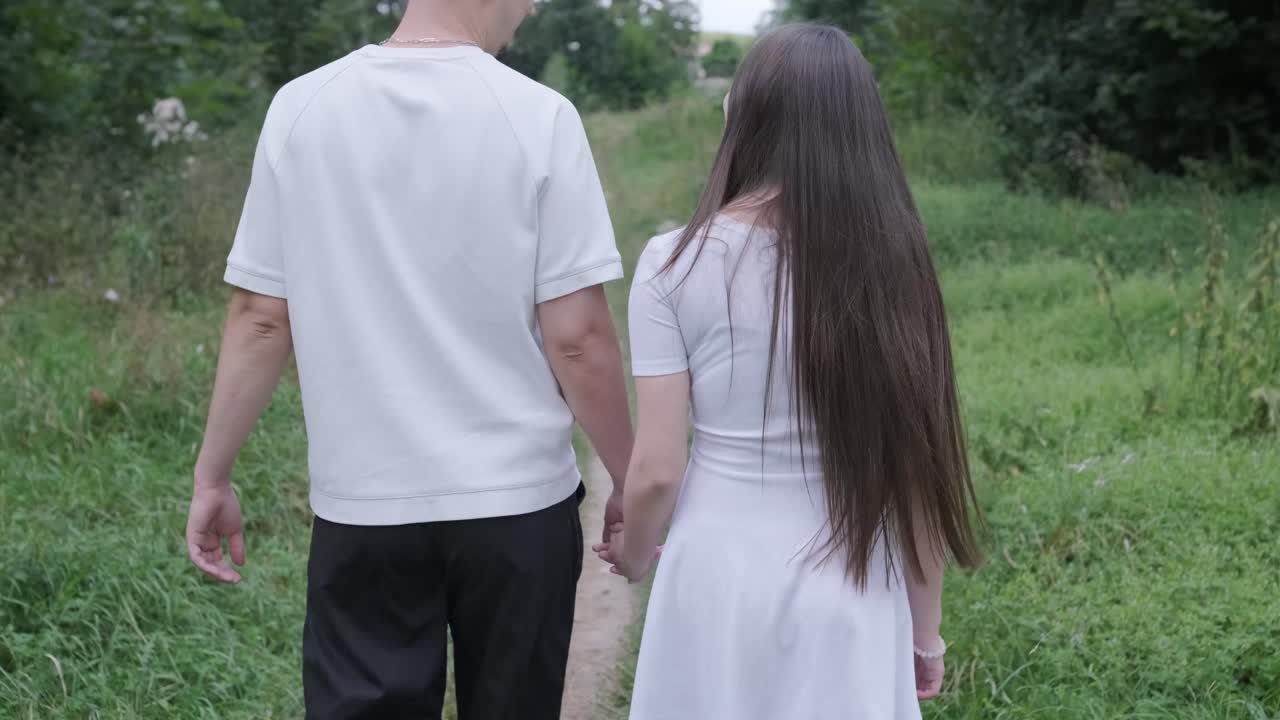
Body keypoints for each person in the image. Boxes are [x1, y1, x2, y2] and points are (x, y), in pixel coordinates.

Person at [183, 1, 634, 718]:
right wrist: (629, 476)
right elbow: (577, 336)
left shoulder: (303, 110)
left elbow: (262, 317)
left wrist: (213, 475)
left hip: (366, 506)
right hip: (517, 508)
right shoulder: (539, 116)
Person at [594, 24, 983, 719]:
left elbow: (656, 469)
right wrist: (926, 637)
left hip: (712, 585)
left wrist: (634, 551)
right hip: (853, 589)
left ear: (745, 116)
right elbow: (918, 483)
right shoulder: (896, 263)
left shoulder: (673, 262)